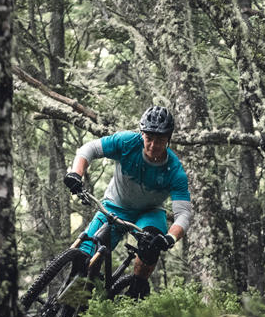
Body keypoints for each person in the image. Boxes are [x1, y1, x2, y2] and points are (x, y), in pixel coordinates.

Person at [62, 105, 192, 298]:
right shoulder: (127, 142)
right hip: (115, 206)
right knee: (85, 256)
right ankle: (74, 306)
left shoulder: (175, 170)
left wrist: (169, 238)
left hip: (149, 213)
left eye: (160, 140)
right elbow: (89, 149)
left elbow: (184, 214)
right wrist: (75, 174)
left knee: (150, 247)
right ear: (141, 135)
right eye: (149, 138)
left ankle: (135, 291)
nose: (153, 146)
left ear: (169, 139)